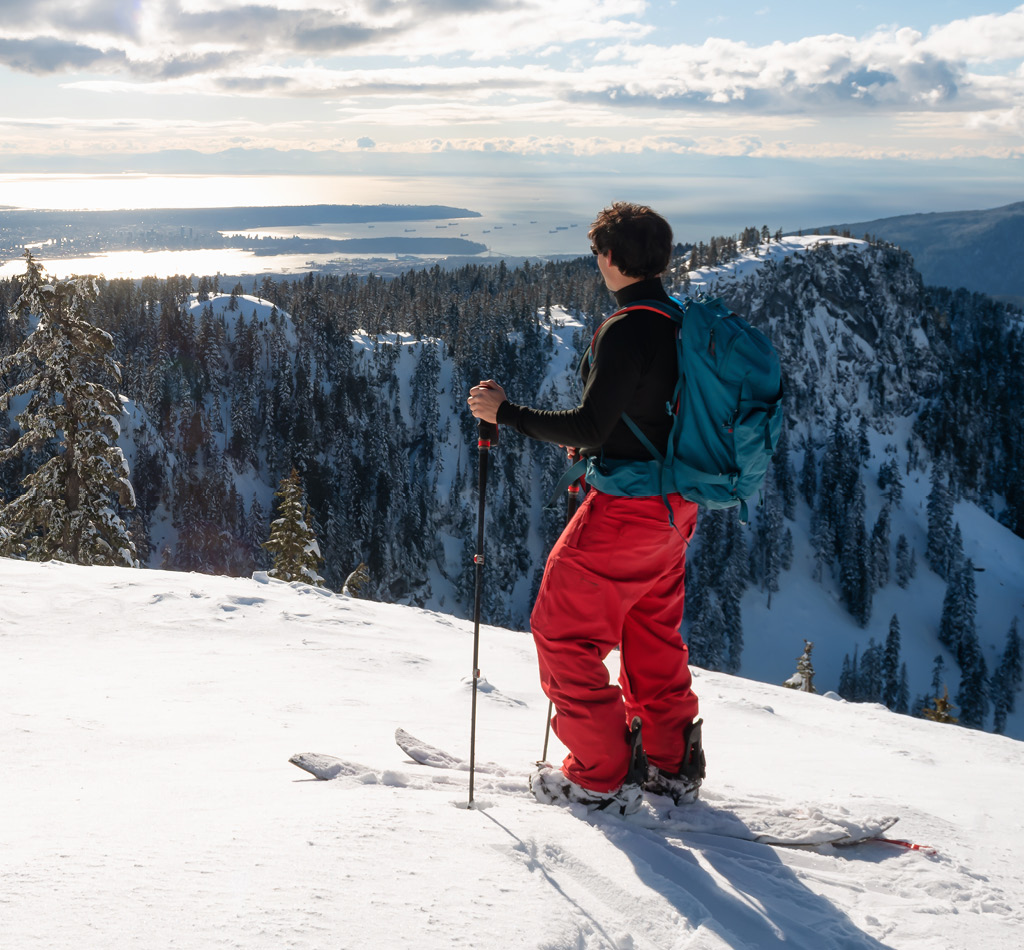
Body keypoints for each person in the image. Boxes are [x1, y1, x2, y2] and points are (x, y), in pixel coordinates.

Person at [468, 201, 705, 815]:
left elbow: (594, 425)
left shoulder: (628, 327)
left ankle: (599, 773)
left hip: (626, 511)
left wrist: (506, 413)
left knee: (562, 631)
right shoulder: (681, 322)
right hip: (676, 508)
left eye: (598, 251)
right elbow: (650, 413)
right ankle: (672, 761)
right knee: (649, 631)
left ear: (610, 257)